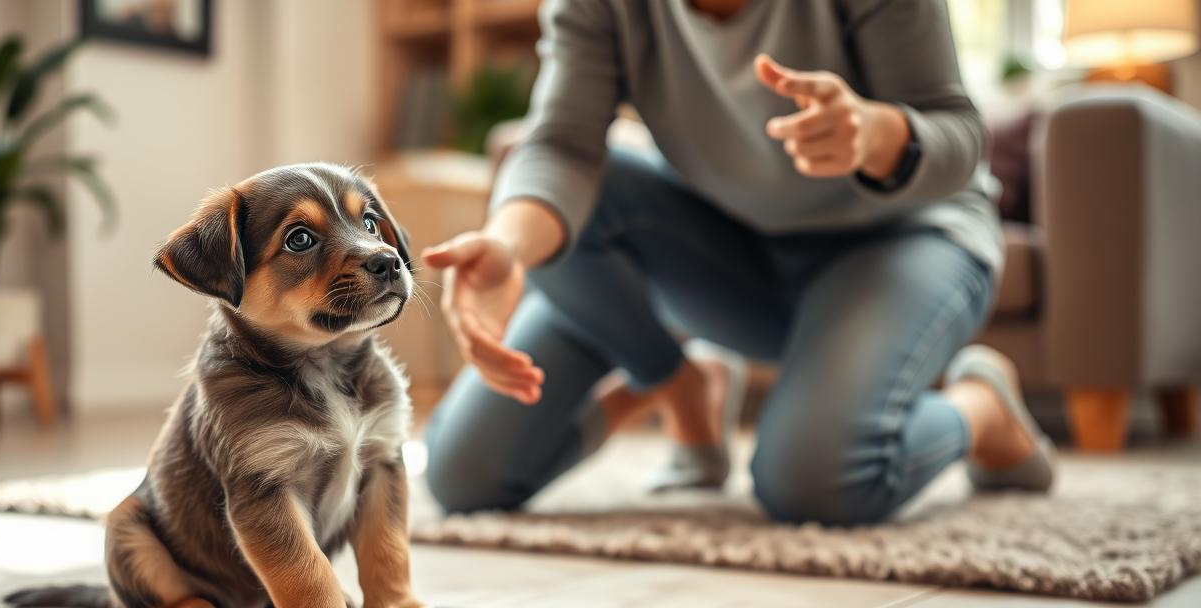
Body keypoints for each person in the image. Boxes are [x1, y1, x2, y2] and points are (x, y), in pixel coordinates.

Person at [421, 0, 1056, 525]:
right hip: (730, 253)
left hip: (903, 239)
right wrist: (506, 243)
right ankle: (678, 385)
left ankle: (982, 409)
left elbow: (960, 137)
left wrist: (875, 131)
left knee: (814, 483)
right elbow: (562, 145)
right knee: (464, 472)